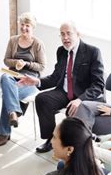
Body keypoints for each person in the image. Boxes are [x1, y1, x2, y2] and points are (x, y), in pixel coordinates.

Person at [19, 21, 105, 153]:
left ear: (77, 34)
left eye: (68, 33)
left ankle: (80, 147)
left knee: (78, 111)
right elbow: (55, 77)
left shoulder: (92, 52)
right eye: (62, 34)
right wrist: (36, 81)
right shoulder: (61, 51)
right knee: (42, 99)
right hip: (64, 92)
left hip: (84, 96)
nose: (65, 38)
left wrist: (80, 99)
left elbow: (98, 84)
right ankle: (50, 139)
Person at [0, 12, 46, 146]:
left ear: (32, 27)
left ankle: (4, 132)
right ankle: (14, 112)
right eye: (22, 25)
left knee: (8, 94)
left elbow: (42, 66)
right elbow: (6, 60)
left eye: (27, 25)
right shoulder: (13, 40)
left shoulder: (38, 44)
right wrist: (16, 63)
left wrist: (27, 64)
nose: (24, 28)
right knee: (5, 78)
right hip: (12, 77)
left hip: (30, 80)